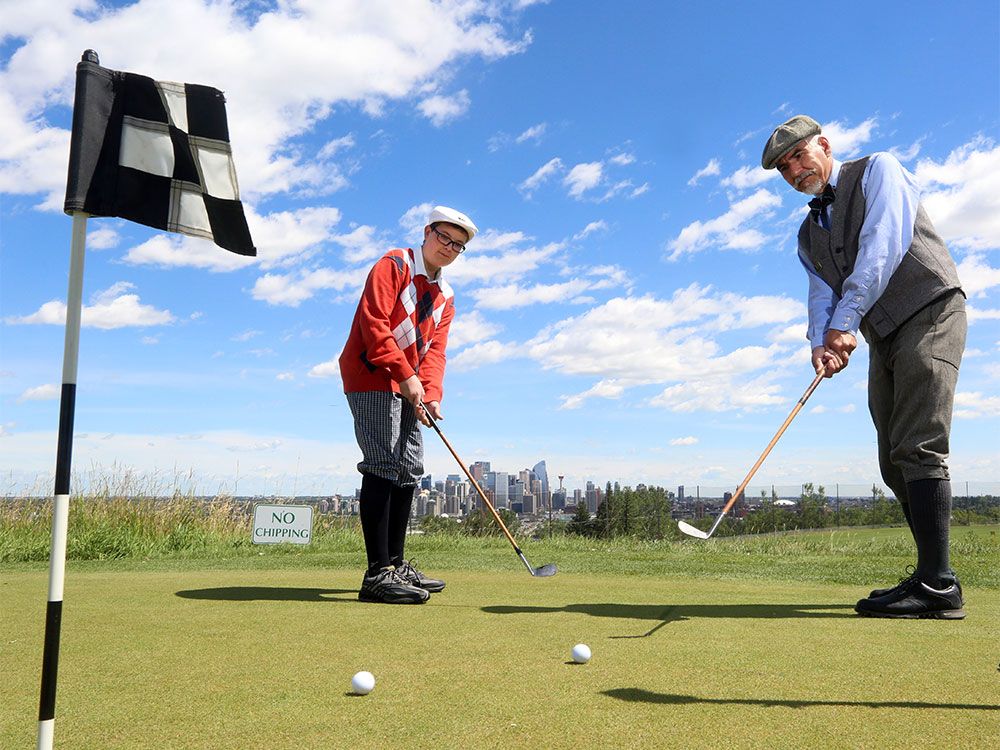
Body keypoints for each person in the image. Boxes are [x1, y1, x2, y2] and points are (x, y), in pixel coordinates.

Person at [762, 115, 967, 619]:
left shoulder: (879, 170)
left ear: (824, 146)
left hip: (930, 310)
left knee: (919, 443)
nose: (793, 171)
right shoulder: (808, 233)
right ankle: (928, 576)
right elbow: (820, 295)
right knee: (892, 459)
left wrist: (845, 324)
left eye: (798, 156)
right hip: (883, 335)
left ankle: (940, 587)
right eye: (783, 168)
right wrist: (820, 341)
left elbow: (882, 248)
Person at [339, 205, 477, 604]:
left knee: (408, 467)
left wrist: (431, 394)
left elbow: (436, 352)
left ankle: (397, 565)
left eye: (458, 245)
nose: (448, 247)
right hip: (371, 375)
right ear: (427, 232)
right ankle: (377, 574)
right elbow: (374, 323)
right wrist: (405, 374)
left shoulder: (446, 295)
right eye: (443, 237)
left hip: (408, 384)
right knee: (383, 462)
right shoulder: (394, 264)